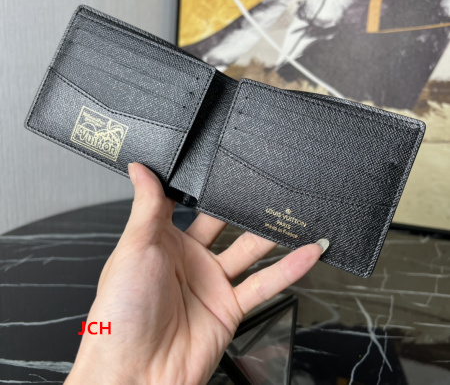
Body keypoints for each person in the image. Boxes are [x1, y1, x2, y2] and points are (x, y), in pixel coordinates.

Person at [65, 162, 329, 384]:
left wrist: (104, 356)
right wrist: (106, 355)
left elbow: (99, 329)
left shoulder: (99, 330)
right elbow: (99, 330)